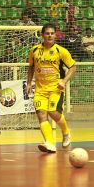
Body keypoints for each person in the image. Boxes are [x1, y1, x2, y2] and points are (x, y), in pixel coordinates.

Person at [26, 23, 76, 153]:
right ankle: (50, 143)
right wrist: (28, 83)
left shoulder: (61, 51)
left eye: (52, 33)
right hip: (40, 89)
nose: (50, 35)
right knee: (42, 115)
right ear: (42, 35)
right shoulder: (34, 50)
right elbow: (31, 67)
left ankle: (66, 133)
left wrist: (64, 81)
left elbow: (73, 67)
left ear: (55, 35)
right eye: (47, 33)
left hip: (55, 88)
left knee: (53, 113)